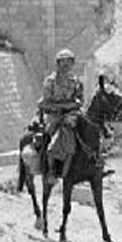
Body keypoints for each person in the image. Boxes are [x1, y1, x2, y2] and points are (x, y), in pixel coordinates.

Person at [38, 48, 84, 182]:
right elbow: (45, 102)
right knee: (52, 140)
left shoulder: (75, 81)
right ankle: (50, 170)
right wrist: (64, 106)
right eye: (63, 63)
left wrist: (75, 105)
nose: (66, 66)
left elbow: (80, 99)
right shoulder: (50, 81)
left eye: (69, 63)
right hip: (54, 116)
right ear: (58, 64)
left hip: (72, 115)